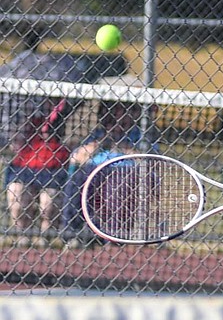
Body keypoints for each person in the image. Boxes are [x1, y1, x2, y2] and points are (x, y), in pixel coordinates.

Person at [61, 100, 145, 247]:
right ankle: (72, 233)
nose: (118, 117)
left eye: (123, 112)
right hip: (94, 168)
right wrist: (96, 145)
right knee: (77, 179)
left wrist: (120, 148)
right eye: (113, 112)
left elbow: (148, 159)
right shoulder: (98, 133)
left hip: (123, 170)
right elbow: (76, 157)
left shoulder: (139, 134)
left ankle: (113, 237)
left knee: (117, 186)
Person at [5, 96, 72, 247]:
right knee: (17, 200)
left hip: (53, 167)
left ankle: (46, 240)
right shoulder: (26, 109)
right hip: (25, 165)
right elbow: (13, 140)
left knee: (47, 206)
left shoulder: (65, 114)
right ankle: (21, 237)